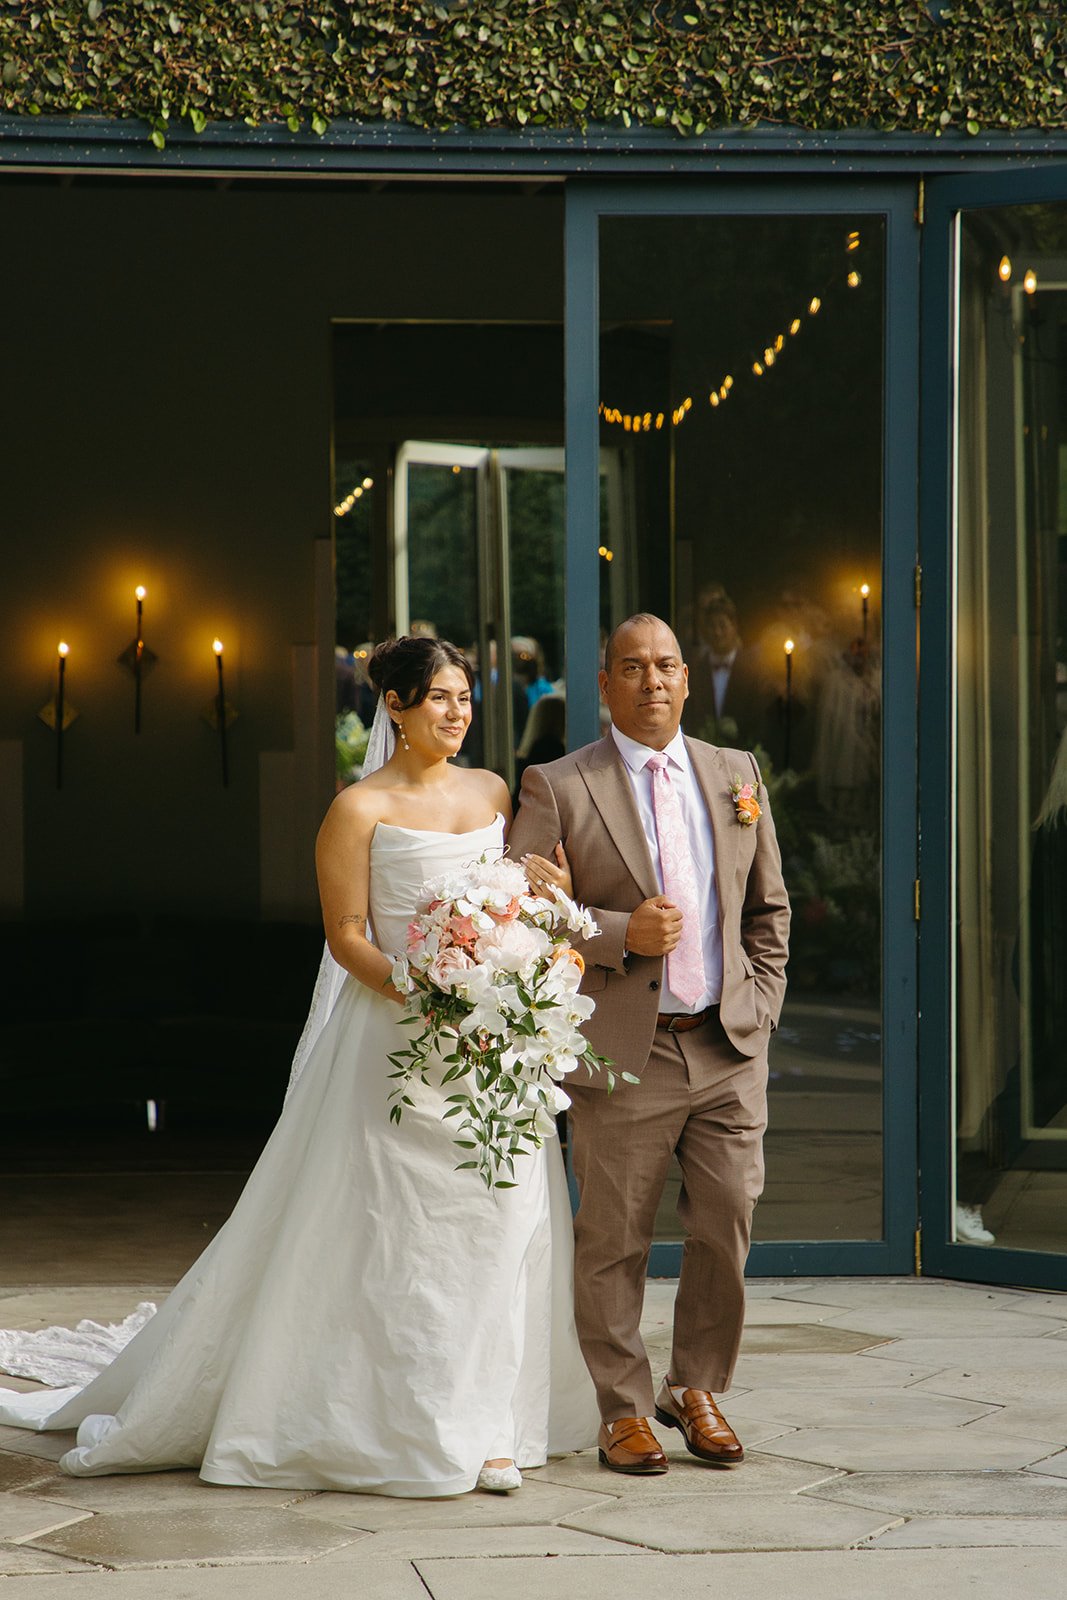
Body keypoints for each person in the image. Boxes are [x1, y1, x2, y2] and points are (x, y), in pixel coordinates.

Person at [0, 636, 598, 1496]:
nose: (457, 713)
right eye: (438, 697)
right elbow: (347, 935)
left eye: (465, 698)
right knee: (399, 1233)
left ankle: (492, 1424)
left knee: (499, 1228)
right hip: (396, 1041)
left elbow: (501, 910)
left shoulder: (491, 792)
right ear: (394, 705)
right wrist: (428, 992)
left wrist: (537, 922)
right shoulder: (355, 809)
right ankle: (401, 1420)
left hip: (488, 1051)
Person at [509, 613, 790, 1476]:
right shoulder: (559, 784)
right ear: (605, 685)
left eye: (666, 665)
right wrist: (613, 932)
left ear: (684, 676)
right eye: (632, 668)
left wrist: (760, 1007)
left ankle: (693, 1386)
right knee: (614, 1239)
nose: (653, 681)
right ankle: (622, 1409)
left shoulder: (735, 772)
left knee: (726, 1221)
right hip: (624, 1049)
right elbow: (514, 912)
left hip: (727, 1042)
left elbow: (767, 908)